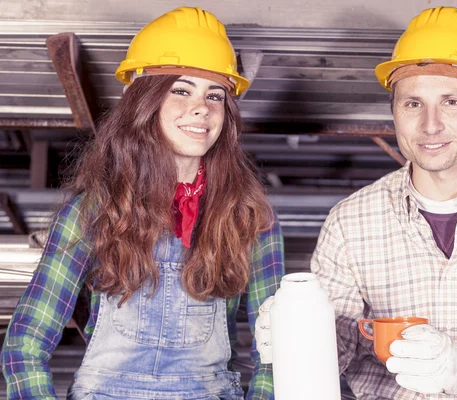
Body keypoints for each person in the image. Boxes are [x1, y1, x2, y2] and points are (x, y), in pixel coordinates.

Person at [258, 5, 457, 400]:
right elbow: (340, 342)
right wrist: (298, 339)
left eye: (451, 102)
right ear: (394, 112)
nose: (430, 125)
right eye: (413, 103)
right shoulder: (351, 221)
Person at [1, 7, 283, 400]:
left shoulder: (251, 219)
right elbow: (25, 344)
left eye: (214, 94)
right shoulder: (93, 212)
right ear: (143, 101)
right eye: (181, 89)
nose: (202, 107)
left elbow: (277, 353)